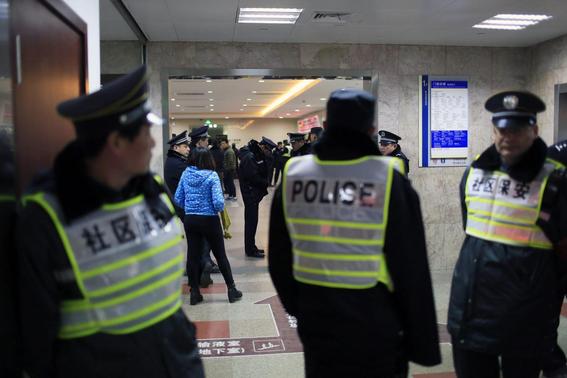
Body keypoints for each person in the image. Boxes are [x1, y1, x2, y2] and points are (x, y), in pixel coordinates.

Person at [17, 65, 204, 378]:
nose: (154, 143)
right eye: (146, 133)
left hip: (176, 360)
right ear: (117, 143)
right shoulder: (47, 216)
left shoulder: (151, 190)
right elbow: (35, 333)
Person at [269, 89, 441, 377]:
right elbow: (410, 267)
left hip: (316, 313)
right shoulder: (387, 179)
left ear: (325, 126)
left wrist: (301, 308)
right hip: (373, 316)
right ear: (371, 129)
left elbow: (278, 255)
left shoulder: (295, 173)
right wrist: (421, 341)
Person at [447, 91, 567, 378]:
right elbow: (473, 233)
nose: (507, 137)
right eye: (502, 129)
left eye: (517, 130)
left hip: (524, 320)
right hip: (470, 314)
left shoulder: (555, 180)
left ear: (534, 130)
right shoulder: (474, 172)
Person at [174, 147, 242, 305]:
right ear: (208, 159)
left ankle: (194, 293)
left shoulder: (185, 174)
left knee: (192, 256)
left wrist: (191, 206)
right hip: (210, 220)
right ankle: (232, 290)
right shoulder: (212, 176)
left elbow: (178, 198)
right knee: (220, 255)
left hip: (191, 219)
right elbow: (219, 204)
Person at [239, 139, 269, 258]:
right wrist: (265, 183)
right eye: (266, 149)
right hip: (250, 195)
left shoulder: (249, 155)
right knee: (251, 223)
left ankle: (252, 247)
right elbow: (253, 177)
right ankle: (250, 250)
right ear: (262, 146)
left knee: (252, 222)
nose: (267, 152)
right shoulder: (249, 157)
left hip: (250, 194)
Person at [164, 130, 190, 220]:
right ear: (175, 148)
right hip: (183, 205)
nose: (188, 149)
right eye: (185, 146)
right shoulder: (178, 164)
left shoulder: (174, 159)